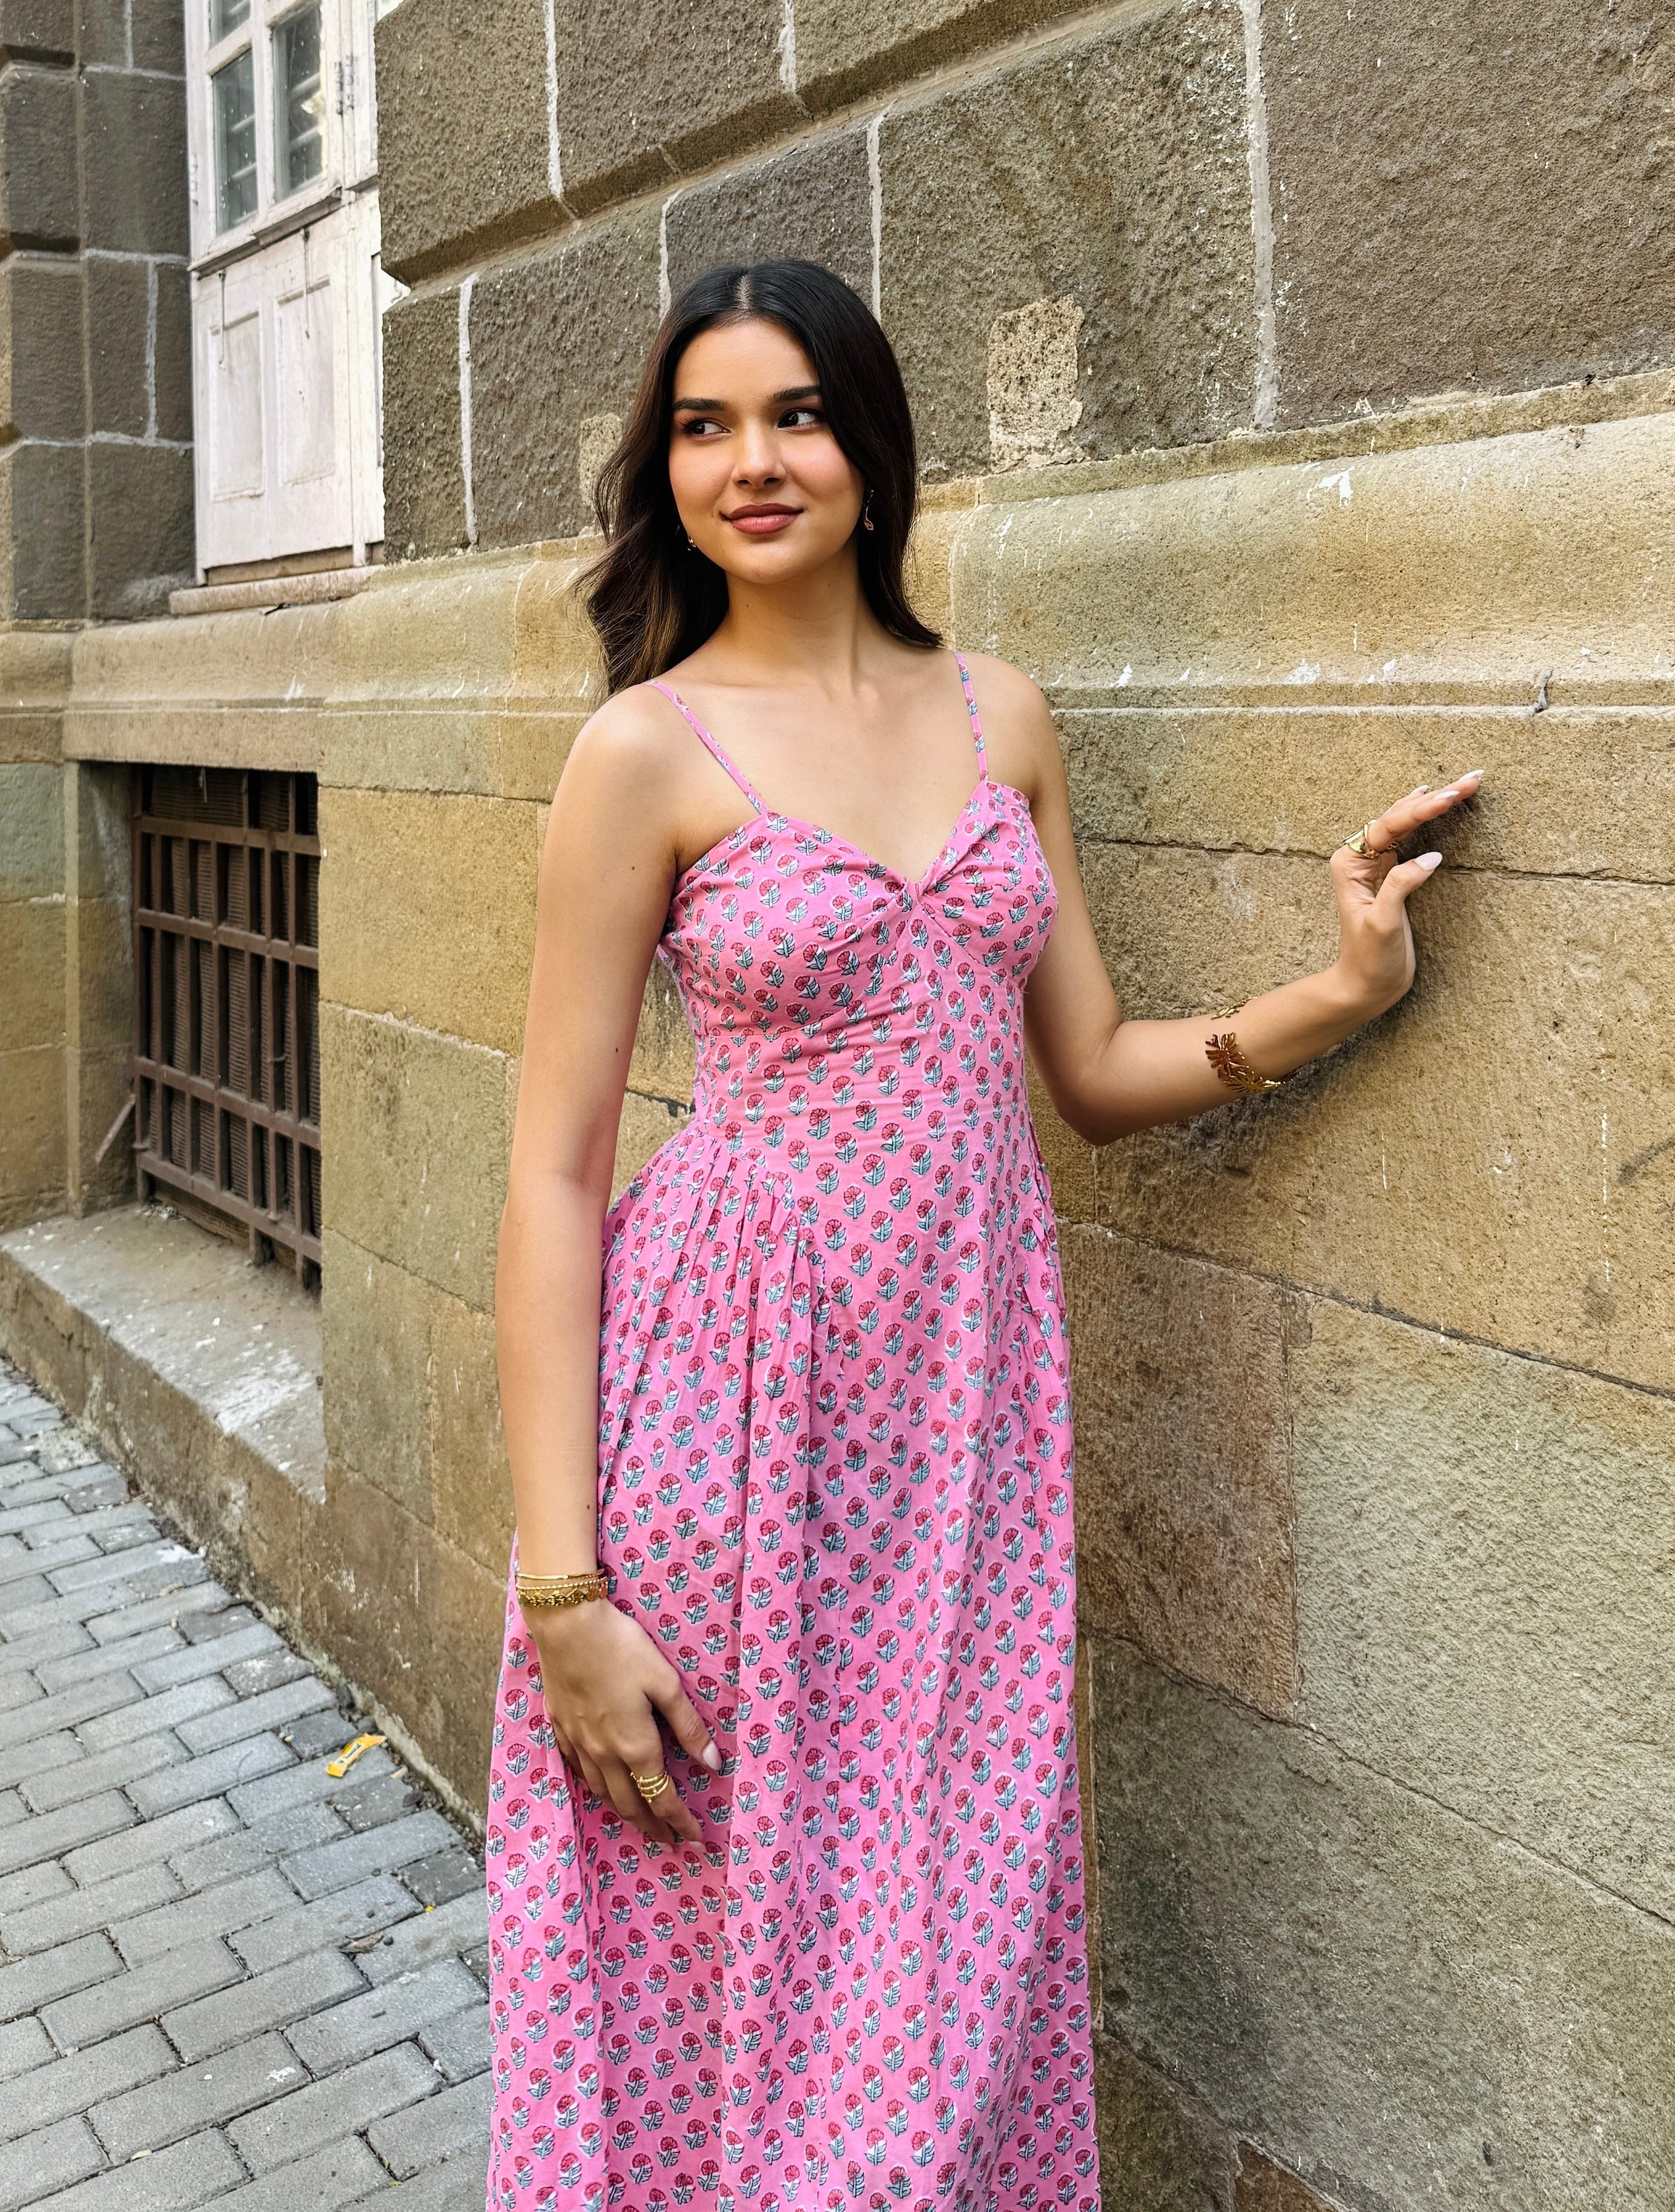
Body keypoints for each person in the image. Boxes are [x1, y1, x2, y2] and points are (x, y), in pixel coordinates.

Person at [487, 257, 1481, 2212]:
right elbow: (552, 1174)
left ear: (873, 441)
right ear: (663, 470)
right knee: (723, 1952)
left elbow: (1093, 1064)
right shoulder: (647, 753)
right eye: (703, 425)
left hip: (963, 1425)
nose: (751, 460)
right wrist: (562, 1590)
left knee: (948, 1937)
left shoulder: (1001, 715)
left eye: (795, 411)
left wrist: (1339, 989)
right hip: (726, 1414)